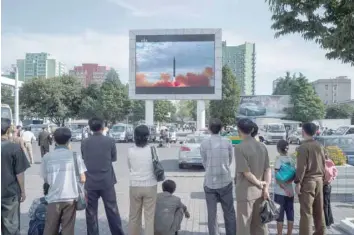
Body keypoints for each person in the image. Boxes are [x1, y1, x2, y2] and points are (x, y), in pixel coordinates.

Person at [81, 117, 125, 235]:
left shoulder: (84, 142)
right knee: (112, 210)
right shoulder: (110, 141)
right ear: (102, 127)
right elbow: (114, 158)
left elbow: (84, 157)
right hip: (107, 181)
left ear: (90, 128)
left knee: (91, 213)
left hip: (90, 182)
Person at [41, 127, 87, 235]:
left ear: (54, 140)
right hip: (70, 198)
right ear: (68, 140)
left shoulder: (47, 157)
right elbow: (83, 178)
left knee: (50, 229)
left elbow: (45, 179)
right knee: (68, 229)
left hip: (53, 198)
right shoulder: (75, 156)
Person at [234, 118, 271, 235]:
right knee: (260, 225)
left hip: (246, 192)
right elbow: (268, 169)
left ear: (239, 130)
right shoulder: (262, 146)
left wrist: (258, 183)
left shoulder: (239, 147)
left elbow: (246, 172)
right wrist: (265, 188)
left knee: (244, 225)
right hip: (261, 192)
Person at [200, 118, 236, 235]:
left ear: (209, 129)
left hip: (210, 183)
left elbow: (204, 162)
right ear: (221, 129)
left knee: (212, 214)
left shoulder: (204, 143)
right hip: (225, 181)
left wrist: (211, 168)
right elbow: (230, 160)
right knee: (229, 212)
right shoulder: (228, 142)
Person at [294, 122, 326, 235]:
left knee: (306, 212)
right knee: (319, 211)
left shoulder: (303, 147)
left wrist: (298, 183)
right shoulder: (319, 145)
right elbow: (324, 163)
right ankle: (320, 232)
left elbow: (301, 167)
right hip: (319, 181)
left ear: (303, 131)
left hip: (308, 182)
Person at [2, 118, 30, 235]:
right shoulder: (14, 148)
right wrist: (23, 191)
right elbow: (20, 173)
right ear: (9, 130)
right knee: (11, 227)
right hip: (9, 194)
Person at [127, 125, 158, 235]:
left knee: (134, 216)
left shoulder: (130, 151)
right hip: (150, 185)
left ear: (135, 137)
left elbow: (130, 167)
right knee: (149, 217)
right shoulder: (153, 150)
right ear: (147, 137)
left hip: (135, 185)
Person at [274, 140, 295, 235]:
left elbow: (277, 176)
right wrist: (288, 186)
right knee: (290, 213)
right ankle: (289, 233)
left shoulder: (279, 160)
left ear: (278, 149)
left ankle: (279, 233)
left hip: (280, 192)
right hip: (290, 191)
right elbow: (294, 175)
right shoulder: (292, 159)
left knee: (280, 215)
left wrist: (283, 187)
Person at [323, 149, 337, 228]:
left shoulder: (324, 163)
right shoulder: (330, 161)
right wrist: (331, 179)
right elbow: (335, 172)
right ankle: (329, 221)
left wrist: (325, 181)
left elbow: (328, 173)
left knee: (325, 204)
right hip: (328, 185)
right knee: (327, 203)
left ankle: (326, 222)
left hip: (324, 185)